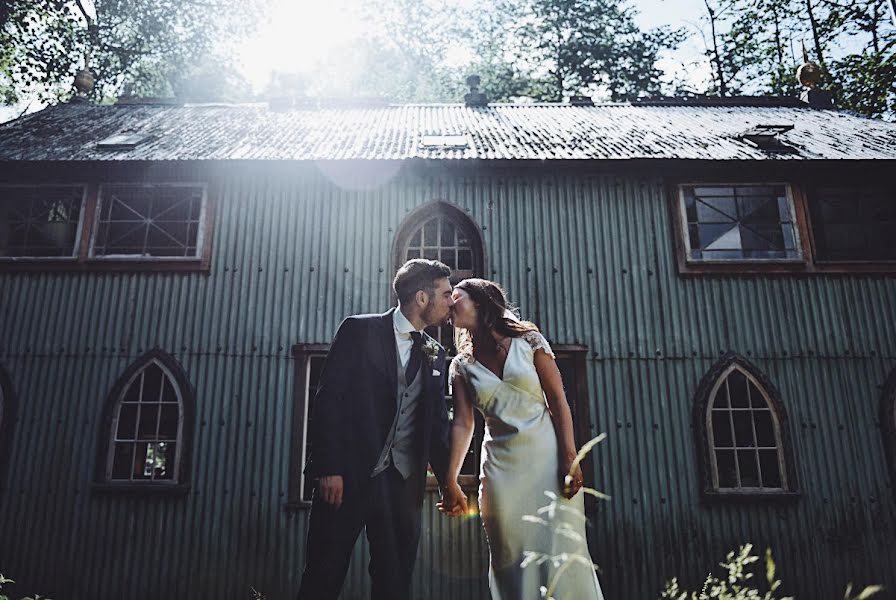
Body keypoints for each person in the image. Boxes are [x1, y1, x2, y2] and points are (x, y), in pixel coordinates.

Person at [297, 259, 467, 600]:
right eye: (446, 293)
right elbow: (329, 400)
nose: (452, 302)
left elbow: (435, 427)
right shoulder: (360, 331)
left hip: (402, 488)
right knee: (323, 576)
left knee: (394, 583)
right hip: (346, 478)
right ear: (422, 298)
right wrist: (329, 468)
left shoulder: (435, 354)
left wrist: (449, 482)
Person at [439, 278, 605, 599]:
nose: (448, 304)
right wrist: (450, 480)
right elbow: (462, 425)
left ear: (479, 301)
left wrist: (570, 457)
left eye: (454, 296)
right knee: (510, 561)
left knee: (561, 550)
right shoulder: (461, 366)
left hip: (548, 462)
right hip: (501, 475)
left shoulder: (529, 340)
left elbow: (557, 400)